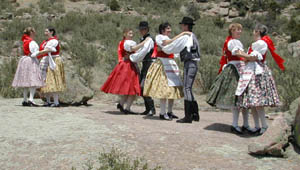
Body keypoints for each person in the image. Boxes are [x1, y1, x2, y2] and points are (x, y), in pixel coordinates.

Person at [206, 23, 256, 134]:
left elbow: (240, 53)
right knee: (237, 98)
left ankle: (245, 124)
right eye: (237, 30)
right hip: (234, 70)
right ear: (232, 31)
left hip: (240, 68)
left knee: (243, 98)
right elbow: (237, 53)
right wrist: (249, 57)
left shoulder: (234, 41)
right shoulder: (232, 42)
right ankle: (235, 124)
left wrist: (247, 57)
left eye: (240, 30)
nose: (239, 32)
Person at [237, 24, 284, 135]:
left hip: (257, 74)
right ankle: (257, 126)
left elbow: (254, 57)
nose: (253, 33)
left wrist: (240, 54)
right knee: (253, 102)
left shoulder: (261, 43)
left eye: (254, 31)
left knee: (257, 101)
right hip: (251, 73)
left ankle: (263, 125)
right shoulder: (257, 44)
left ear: (258, 31)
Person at [143, 22, 191, 120]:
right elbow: (165, 46)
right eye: (168, 28)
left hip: (170, 63)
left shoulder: (169, 39)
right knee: (164, 89)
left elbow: (171, 48)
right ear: (162, 30)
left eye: (170, 28)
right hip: (162, 64)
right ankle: (162, 112)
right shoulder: (159, 37)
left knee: (172, 89)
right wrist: (182, 34)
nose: (170, 30)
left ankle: (169, 111)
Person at [101, 28, 148, 114]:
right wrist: (144, 43)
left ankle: (122, 104)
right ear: (125, 34)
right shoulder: (126, 43)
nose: (132, 35)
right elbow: (133, 49)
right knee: (132, 88)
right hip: (128, 66)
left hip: (129, 65)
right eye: (130, 33)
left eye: (132, 33)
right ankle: (127, 108)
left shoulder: (124, 42)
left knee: (129, 88)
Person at [12, 27, 49, 106]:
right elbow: (34, 53)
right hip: (31, 60)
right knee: (33, 80)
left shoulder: (25, 41)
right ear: (31, 32)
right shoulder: (31, 42)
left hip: (24, 60)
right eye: (34, 31)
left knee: (26, 80)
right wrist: (44, 51)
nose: (35, 33)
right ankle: (31, 99)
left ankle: (25, 99)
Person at [176, 17, 201, 123]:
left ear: (186, 26)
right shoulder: (192, 36)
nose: (181, 27)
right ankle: (195, 113)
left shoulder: (188, 36)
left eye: (183, 25)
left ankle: (188, 116)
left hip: (190, 63)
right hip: (191, 63)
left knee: (187, 88)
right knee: (188, 88)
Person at [130, 21, 156, 116]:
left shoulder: (149, 39)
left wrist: (133, 57)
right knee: (141, 87)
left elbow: (143, 52)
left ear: (147, 29)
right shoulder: (143, 39)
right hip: (145, 64)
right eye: (141, 29)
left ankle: (152, 109)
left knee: (143, 86)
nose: (142, 31)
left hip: (149, 64)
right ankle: (148, 108)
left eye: (144, 29)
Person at [39, 27, 66, 107]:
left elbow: (48, 50)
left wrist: (38, 53)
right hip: (47, 60)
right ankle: (48, 101)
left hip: (54, 60)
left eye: (47, 31)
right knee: (46, 81)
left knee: (54, 80)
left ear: (51, 32)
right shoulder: (45, 41)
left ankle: (56, 102)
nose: (45, 32)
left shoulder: (54, 41)